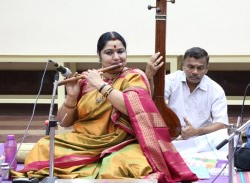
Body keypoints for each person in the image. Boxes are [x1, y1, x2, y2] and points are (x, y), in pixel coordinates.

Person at [11, 31, 197, 182]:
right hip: (85, 141)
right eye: (109, 53)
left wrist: (101, 85)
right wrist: (72, 96)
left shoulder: (133, 76)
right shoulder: (86, 81)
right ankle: (86, 171)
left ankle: (83, 172)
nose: (117, 57)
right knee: (44, 147)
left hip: (122, 143)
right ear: (99, 56)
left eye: (121, 52)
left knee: (123, 164)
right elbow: (64, 122)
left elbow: (132, 108)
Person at [145, 47, 229, 155]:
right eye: (191, 67)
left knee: (227, 138)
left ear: (207, 69)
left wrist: (196, 131)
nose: (195, 72)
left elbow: (221, 124)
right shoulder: (171, 80)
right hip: (175, 138)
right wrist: (149, 77)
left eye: (200, 68)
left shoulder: (215, 89)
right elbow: (153, 100)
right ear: (183, 66)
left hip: (202, 140)